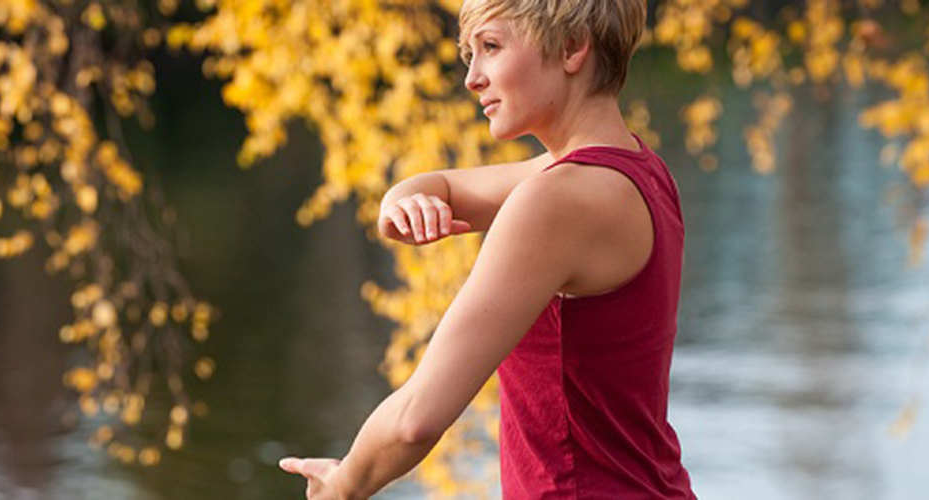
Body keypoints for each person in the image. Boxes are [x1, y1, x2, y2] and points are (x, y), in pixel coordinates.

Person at [280, 0, 696, 498]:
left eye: (491, 47)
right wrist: (401, 201)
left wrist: (341, 485)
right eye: (469, 54)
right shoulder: (639, 170)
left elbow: (414, 420)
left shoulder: (555, 202)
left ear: (571, 47)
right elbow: (445, 187)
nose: (472, 78)